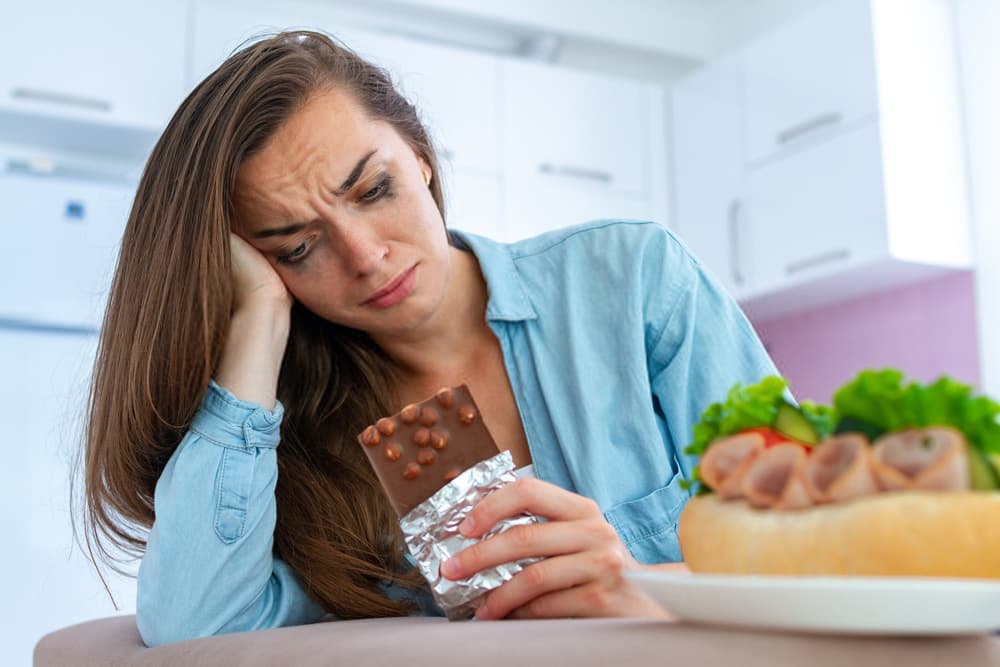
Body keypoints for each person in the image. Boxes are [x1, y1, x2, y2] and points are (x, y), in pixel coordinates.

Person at [79, 30, 778, 647]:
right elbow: (194, 628)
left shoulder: (632, 281)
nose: (364, 256)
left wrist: (645, 585)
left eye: (373, 189)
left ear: (420, 157)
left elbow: (821, 547)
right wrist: (255, 318)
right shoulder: (305, 446)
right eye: (296, 248)